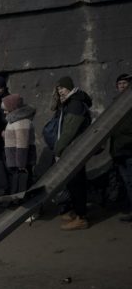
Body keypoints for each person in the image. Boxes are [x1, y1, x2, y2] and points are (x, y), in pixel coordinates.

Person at [52, 76, 94, 230]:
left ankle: (81, 218)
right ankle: (79, 212)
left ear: (69, 87)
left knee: (76, 183)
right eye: (58, 89)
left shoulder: (75, 104)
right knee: (76, 182)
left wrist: (58, 149)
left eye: (62, 88)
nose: (60, 91)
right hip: (75, 149)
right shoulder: (71, 102)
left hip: (74, 150)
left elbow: (69, 131)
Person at [1, 94, 37, 198]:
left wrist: (21, 165)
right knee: (21, 186)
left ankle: (32, 209)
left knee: (26, 187)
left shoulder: (22, 121)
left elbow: (22, 145)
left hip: (21, 162)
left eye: (6, 109)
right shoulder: (14, 120)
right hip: (16, 161)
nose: (4, 112)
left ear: (13, 108)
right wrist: (6, 135)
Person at [110, 73, 132, 222]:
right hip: (119, 150)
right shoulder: (115, 103)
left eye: (125, 83)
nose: (122, 86)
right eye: (120, 84)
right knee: (126, 182)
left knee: (131, 181)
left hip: (130, 149)